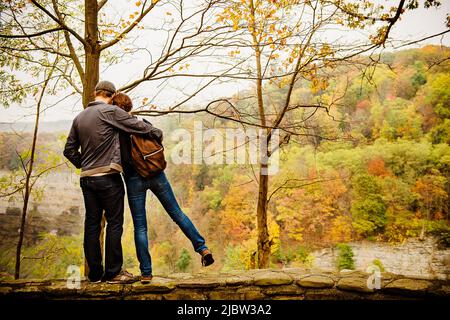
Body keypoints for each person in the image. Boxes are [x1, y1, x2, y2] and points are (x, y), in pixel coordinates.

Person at [63, 81, 163, 284]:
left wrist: (85, 164)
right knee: (114, 223)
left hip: (87, 179)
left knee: (92, 225)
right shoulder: (109, 111)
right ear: (112, 95)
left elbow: (69, 150)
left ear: (95, 93)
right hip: (108, 177)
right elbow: (137, 126)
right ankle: (113, 273)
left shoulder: (79, 117)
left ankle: (94, 274)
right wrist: (156, 133)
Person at [112, 92, 214, 284]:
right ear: (129, 107)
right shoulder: (141, 123)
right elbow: (158, 136)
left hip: (134, 180)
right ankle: (202, 248)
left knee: (140, 226)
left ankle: (146, 273)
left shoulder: (117, 134)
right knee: (177, 213)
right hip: (157, 174)